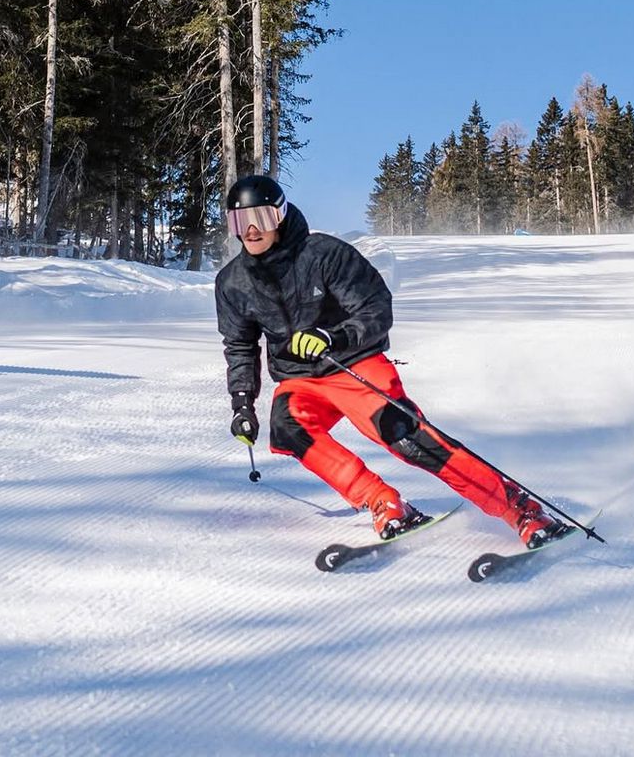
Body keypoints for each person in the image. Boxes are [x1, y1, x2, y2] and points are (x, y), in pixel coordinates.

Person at [216, 173, 565, 548]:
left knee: (406, 436)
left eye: (262, 218)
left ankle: (520, 509)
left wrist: (333, 336)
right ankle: (382, 501)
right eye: (240, 221)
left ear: (280, 217)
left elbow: (376, 308)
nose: (251, 231)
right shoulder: (233, 282)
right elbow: (240, 346)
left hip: (353, 363)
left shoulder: (323, 254)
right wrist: (242, 403)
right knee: (288, 429)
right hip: (300, 379)